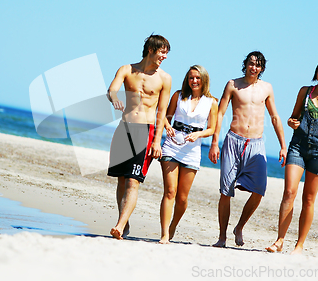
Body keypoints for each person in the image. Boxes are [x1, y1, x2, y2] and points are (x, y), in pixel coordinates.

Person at [266, 58, 318, 255]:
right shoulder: (304, 92)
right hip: (298, 147)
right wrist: (292, 123)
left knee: (309, 199)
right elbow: (294, 117)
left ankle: (299, 245)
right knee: (289, 192)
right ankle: (280, 240)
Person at [209, 51, 287, 248]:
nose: (254, 67)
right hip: (233, 140)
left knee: (259, 191)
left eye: (258, 65)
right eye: (251, 63)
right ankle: (222, 237)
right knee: (226, 192)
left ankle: (240, 227)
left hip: (256, 144)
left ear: (262, 69)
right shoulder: (233, 84)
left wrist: (283, 146)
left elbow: (275, 117)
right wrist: (214, 142)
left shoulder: (267, 88)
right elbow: (220, 113)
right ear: (246, 64)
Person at [106, 34, 172, 240]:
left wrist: (157, 141)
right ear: (151, 49)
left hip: (146, 131)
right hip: (124, 128)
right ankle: (123, 222)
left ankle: (119, 225)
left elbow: (162, 112)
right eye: (163, 52)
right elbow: (112, 90)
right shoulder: (126, 69)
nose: (165, 57)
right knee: (121, 179)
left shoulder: (164, 79)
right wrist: (115, 97)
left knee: (133, 181)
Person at [158, 65, 219, 244]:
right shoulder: (178, 95)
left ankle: (173, 225)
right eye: (191, 77)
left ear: (204, 80)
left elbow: (212, 128)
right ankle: (164, 234)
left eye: (197, 78)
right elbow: (166, 116)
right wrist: (167, 126)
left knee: (182, 197)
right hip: (171, 146)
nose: (194, 81)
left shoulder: (211, 102)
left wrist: (198, 134)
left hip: (192, 151)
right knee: (170, 191)